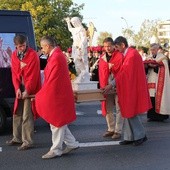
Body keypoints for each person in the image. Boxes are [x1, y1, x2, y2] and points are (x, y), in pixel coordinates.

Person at [35, 36, 79, 159]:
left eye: (43, 47)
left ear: (48, 46)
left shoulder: (56, 57)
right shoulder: (57, 56)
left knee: (56, 123)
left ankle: (56, 149)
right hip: (59, 94)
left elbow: (53, 80)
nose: (42, 50)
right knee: (59, 122)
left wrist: (42, 94)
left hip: (58, 95)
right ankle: (72, 143)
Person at [103, 36, 152, 146]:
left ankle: (141, 135)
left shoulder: (132, 55)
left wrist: (111, 84)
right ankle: (129, 137)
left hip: (132, 88)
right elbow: (123, 72)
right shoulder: (129, 54)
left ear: (123, 45)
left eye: (117, 47)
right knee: (127, 112)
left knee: (130, 112)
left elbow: (124, 73)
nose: (116, 50)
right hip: (130, 87)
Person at [6, 34, 41, 150]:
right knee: (17, 113)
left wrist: (27, 90)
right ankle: (17, 137)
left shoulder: (32, 55)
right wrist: (17, 88)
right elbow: (14, 74)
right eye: (20, 46)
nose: (22, 48)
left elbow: (33, 76)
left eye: (24, 46)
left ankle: (27, 141)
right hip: (20, 87)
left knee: (27, 114)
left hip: (30, 88)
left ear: (26, 44)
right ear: (16, 46)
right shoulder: (15, 56)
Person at [99, 37, 124, 140]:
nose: (107, 48)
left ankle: (118, 130)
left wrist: (112, 68)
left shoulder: (120, 56)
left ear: (114, 46)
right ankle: (111, 128)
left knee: (119, 108)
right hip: (106, 86)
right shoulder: (102, 57)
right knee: (108, 108)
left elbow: (122, 72)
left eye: (109, 46)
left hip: (118, 85)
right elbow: (101, 72)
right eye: (105, 46)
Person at [145, 43, 170, 121]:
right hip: (150, 79)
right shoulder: (148, 57)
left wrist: (156, 67)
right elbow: (145, 69)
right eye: (151, 50)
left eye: (154, 50)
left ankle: (160, 116)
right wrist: (148, 66)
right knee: (151, 98)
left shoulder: (162, 58)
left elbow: (165, 68)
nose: (152, 51)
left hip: (159, 80)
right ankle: (151, 116)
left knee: (158, 97)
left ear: (157, 49)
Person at [65, 17, 90, 83]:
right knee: (76, 63)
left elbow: (84, 39)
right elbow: (70, 29)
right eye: (72, 22)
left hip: (80, 48)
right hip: (75, 48)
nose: (73, 23)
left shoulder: (81, 29)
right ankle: (79, 76)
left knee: (81, 62)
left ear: (77, 21)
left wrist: (80, 47)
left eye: (74, 22)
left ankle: (84, 76)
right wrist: (68, 22)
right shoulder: (74, 30)